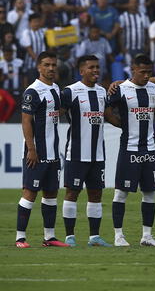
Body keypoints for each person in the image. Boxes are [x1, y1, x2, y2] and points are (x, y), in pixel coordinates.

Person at [107, 54, 155, 247]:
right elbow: (106, 108)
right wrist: (120, 124)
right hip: (129, 149)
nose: (146, 76)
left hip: (150, 149)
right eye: (142, 72)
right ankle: (118, 235)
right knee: (121, 193)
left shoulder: (153, 88)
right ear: (132, 70)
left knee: (150, 193)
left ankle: (147, 236)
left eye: (149, 72)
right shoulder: (121, 89)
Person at [60, 55, 120, 247]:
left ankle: (94, 237)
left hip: (98, 154)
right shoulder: (70, 92)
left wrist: (129, 127)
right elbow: (56, 113)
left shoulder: (102, 92)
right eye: (91, 67)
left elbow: (109, 117)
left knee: (96, 194)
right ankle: (70, 236)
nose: (96, 70)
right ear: (81, 71)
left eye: (98, 67)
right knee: (72, 193)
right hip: (76, 153)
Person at [15, 51, 69, 248]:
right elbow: (26, 121)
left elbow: (56, 112)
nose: (51, 68)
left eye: (54, 65)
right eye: (46, 65)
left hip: (53, 152)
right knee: (30, 193)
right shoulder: (33, 91)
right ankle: (20, 238)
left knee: (51, 194)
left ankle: (49, 237)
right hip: (36, 152)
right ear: (39, 67)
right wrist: (31, 149)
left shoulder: (55, 88)